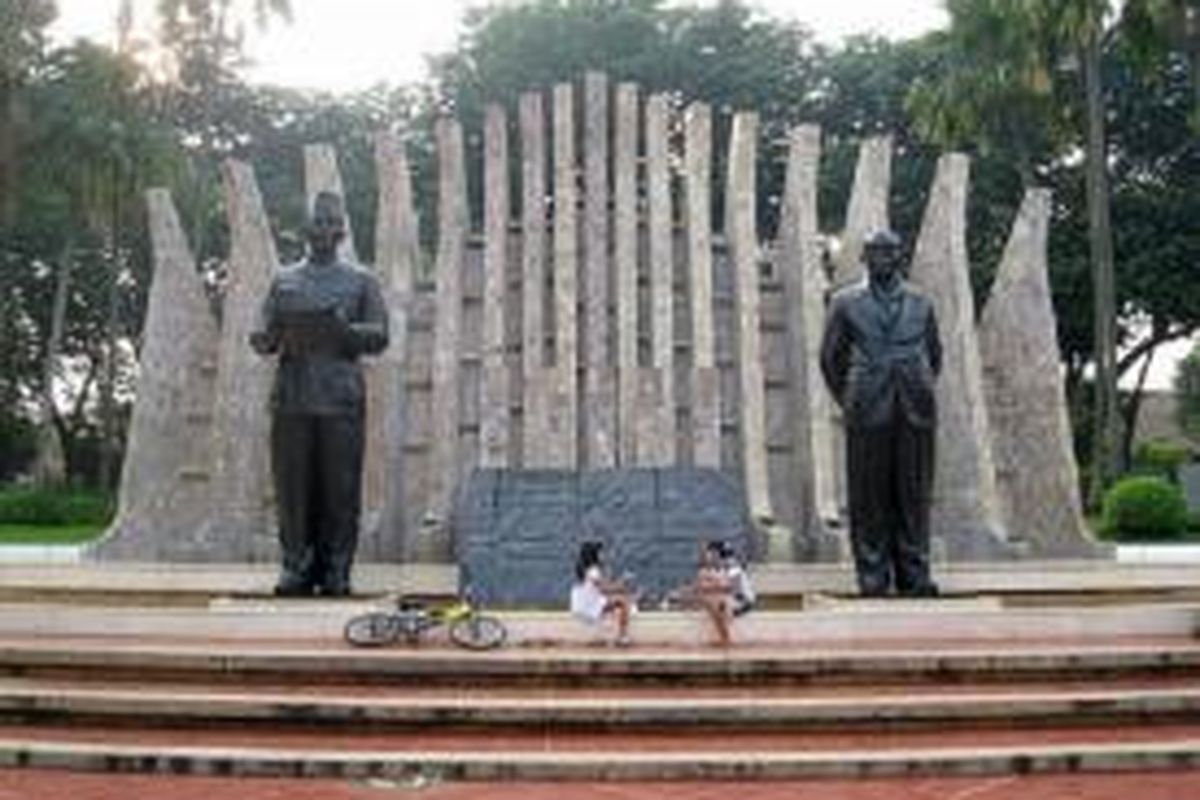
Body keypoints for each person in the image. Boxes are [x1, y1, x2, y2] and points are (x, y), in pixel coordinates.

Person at [250, 191, 388, 597]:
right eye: (317, 224)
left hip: (340, 399)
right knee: (292, 489)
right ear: (306, 231)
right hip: (292, 397)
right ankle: (297, 566)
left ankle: (336, 568)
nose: (323, 231)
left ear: (341, 232)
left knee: (339, 489)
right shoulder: (284, 280)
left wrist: (344, 331)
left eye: (331, 224)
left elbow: (380, 335)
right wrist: (265, 337)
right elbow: (264, 331)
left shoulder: (361, 280)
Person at [819, 229, 942, 598]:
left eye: (889, 252)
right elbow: (830, 359)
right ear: (864, 258)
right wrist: (852, 397)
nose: (882, 258)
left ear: (900, 257)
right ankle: (872, 576)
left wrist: (917, 383)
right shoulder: (844, 302)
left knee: (913, 492)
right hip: (866, 405)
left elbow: (934, 355)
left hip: (915, 405)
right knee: (868, 494)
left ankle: (914, 574)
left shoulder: (921, 302)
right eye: (874, 252)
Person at [569, 541, 633, 646]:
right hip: (589, 606)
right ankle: (622, 637)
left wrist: (618, 583)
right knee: (623, 603)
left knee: (615, 601)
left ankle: (608, 634)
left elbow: (603, 586)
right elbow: (606, 588)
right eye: (600, 553)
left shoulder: (585, 570)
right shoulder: (593, 571)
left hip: (584, 603)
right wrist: (623, 583)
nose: (603, 555)